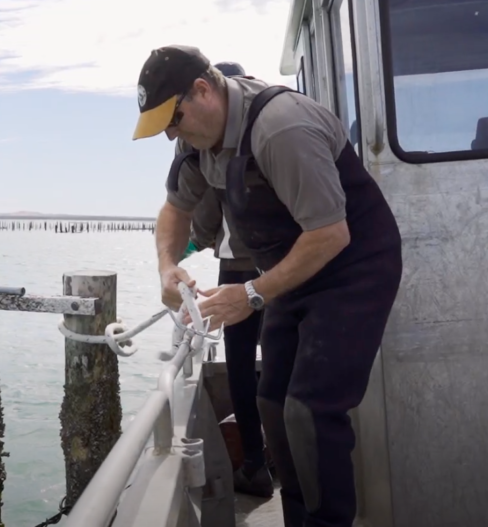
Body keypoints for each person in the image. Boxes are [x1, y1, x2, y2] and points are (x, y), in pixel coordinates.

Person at [132, 45, 403, 527]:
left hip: (352, 269)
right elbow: (175, 209)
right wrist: (167, 265)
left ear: (202, 90)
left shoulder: (282, 127)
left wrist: (252, 294)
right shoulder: (193, 142)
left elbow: (330, 234)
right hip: (291, 272)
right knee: (273, 403)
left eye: (172, 119)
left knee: (310, 410)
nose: (171, 134)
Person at [177, 60, 274, 499]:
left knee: (240, 366)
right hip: (279, 262)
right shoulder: (264, 127)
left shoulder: (211, 148)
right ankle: (276, 459)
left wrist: (193, 244)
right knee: (278, 362)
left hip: (240, 263)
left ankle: (255, 462)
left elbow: (203, 215)